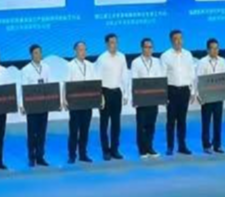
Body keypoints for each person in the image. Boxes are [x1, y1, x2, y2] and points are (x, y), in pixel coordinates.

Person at [160, 29, 195, 155]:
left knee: (182, 120)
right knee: (171, 120)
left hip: (185, 90)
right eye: (176, 39)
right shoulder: (165, 56)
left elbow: (192, 74)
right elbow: (162, 76)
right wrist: (163, 95)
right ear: (171, 41)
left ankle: (182, 145)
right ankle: (170, 146)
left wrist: (192, 91)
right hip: (172, 91)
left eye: (180, 38)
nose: (179, 41)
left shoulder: (188, 55)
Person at [95, 33, 128, 161]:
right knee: (104, 123)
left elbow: (124, 76)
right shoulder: (102, 59)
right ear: (107, 44)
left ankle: (115, 149)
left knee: (116, 123)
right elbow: (97, 79)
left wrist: (125, 93)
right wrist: (100, 96)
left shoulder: (122, 57)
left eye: (116, 42)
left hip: (117, 92)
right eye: (112, 42)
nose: (114, 45)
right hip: (105, 92)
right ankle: (105, 151)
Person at [130, 38, 164, 158]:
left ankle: (150, 147)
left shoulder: (157, 61)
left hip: (154, 98)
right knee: (141, 124)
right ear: (142, 48)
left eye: (150, 47)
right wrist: (134, 98)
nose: (148, 49)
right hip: (141, 98)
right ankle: (142, 149)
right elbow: (133, 80)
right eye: (146, 47)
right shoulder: (136, 62)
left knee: (151, 124)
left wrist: (161, 96)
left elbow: (160, 78)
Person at [65, 41, 97, 164]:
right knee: (74, 131)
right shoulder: (70, 65)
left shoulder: (90, 65)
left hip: (87, 103)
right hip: (75, 103)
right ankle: (72, 155)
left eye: (85, 49)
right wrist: (65, 100)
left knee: (85, 130)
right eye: (80, 50)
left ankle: (83, 154)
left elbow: (94, 82)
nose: (83, 52)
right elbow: (66, 84)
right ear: (75, 51)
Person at [21, 44, 52, 167]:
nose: (38, 55)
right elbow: (23, 89)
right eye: (36, 53)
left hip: (43, 104)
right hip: (32, 105)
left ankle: (40, 156)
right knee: (32, 133)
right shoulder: (26, 70)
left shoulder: (47, 67)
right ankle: (31, 157)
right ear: (31, 55)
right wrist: (23, 105)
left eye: (40, 52)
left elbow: (49, 85)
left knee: (42, 132)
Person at [196, 38, 225, 154]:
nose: (215, 50)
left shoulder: (222, 61)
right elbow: (198, 79)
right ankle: (206, 145)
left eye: (217, 48)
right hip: (207, 96)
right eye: (212, 48)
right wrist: (198, 95)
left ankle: (217, 145)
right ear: (208, 50)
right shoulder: (202, 62)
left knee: (218, 121)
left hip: (218, 96)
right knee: (206, 122)